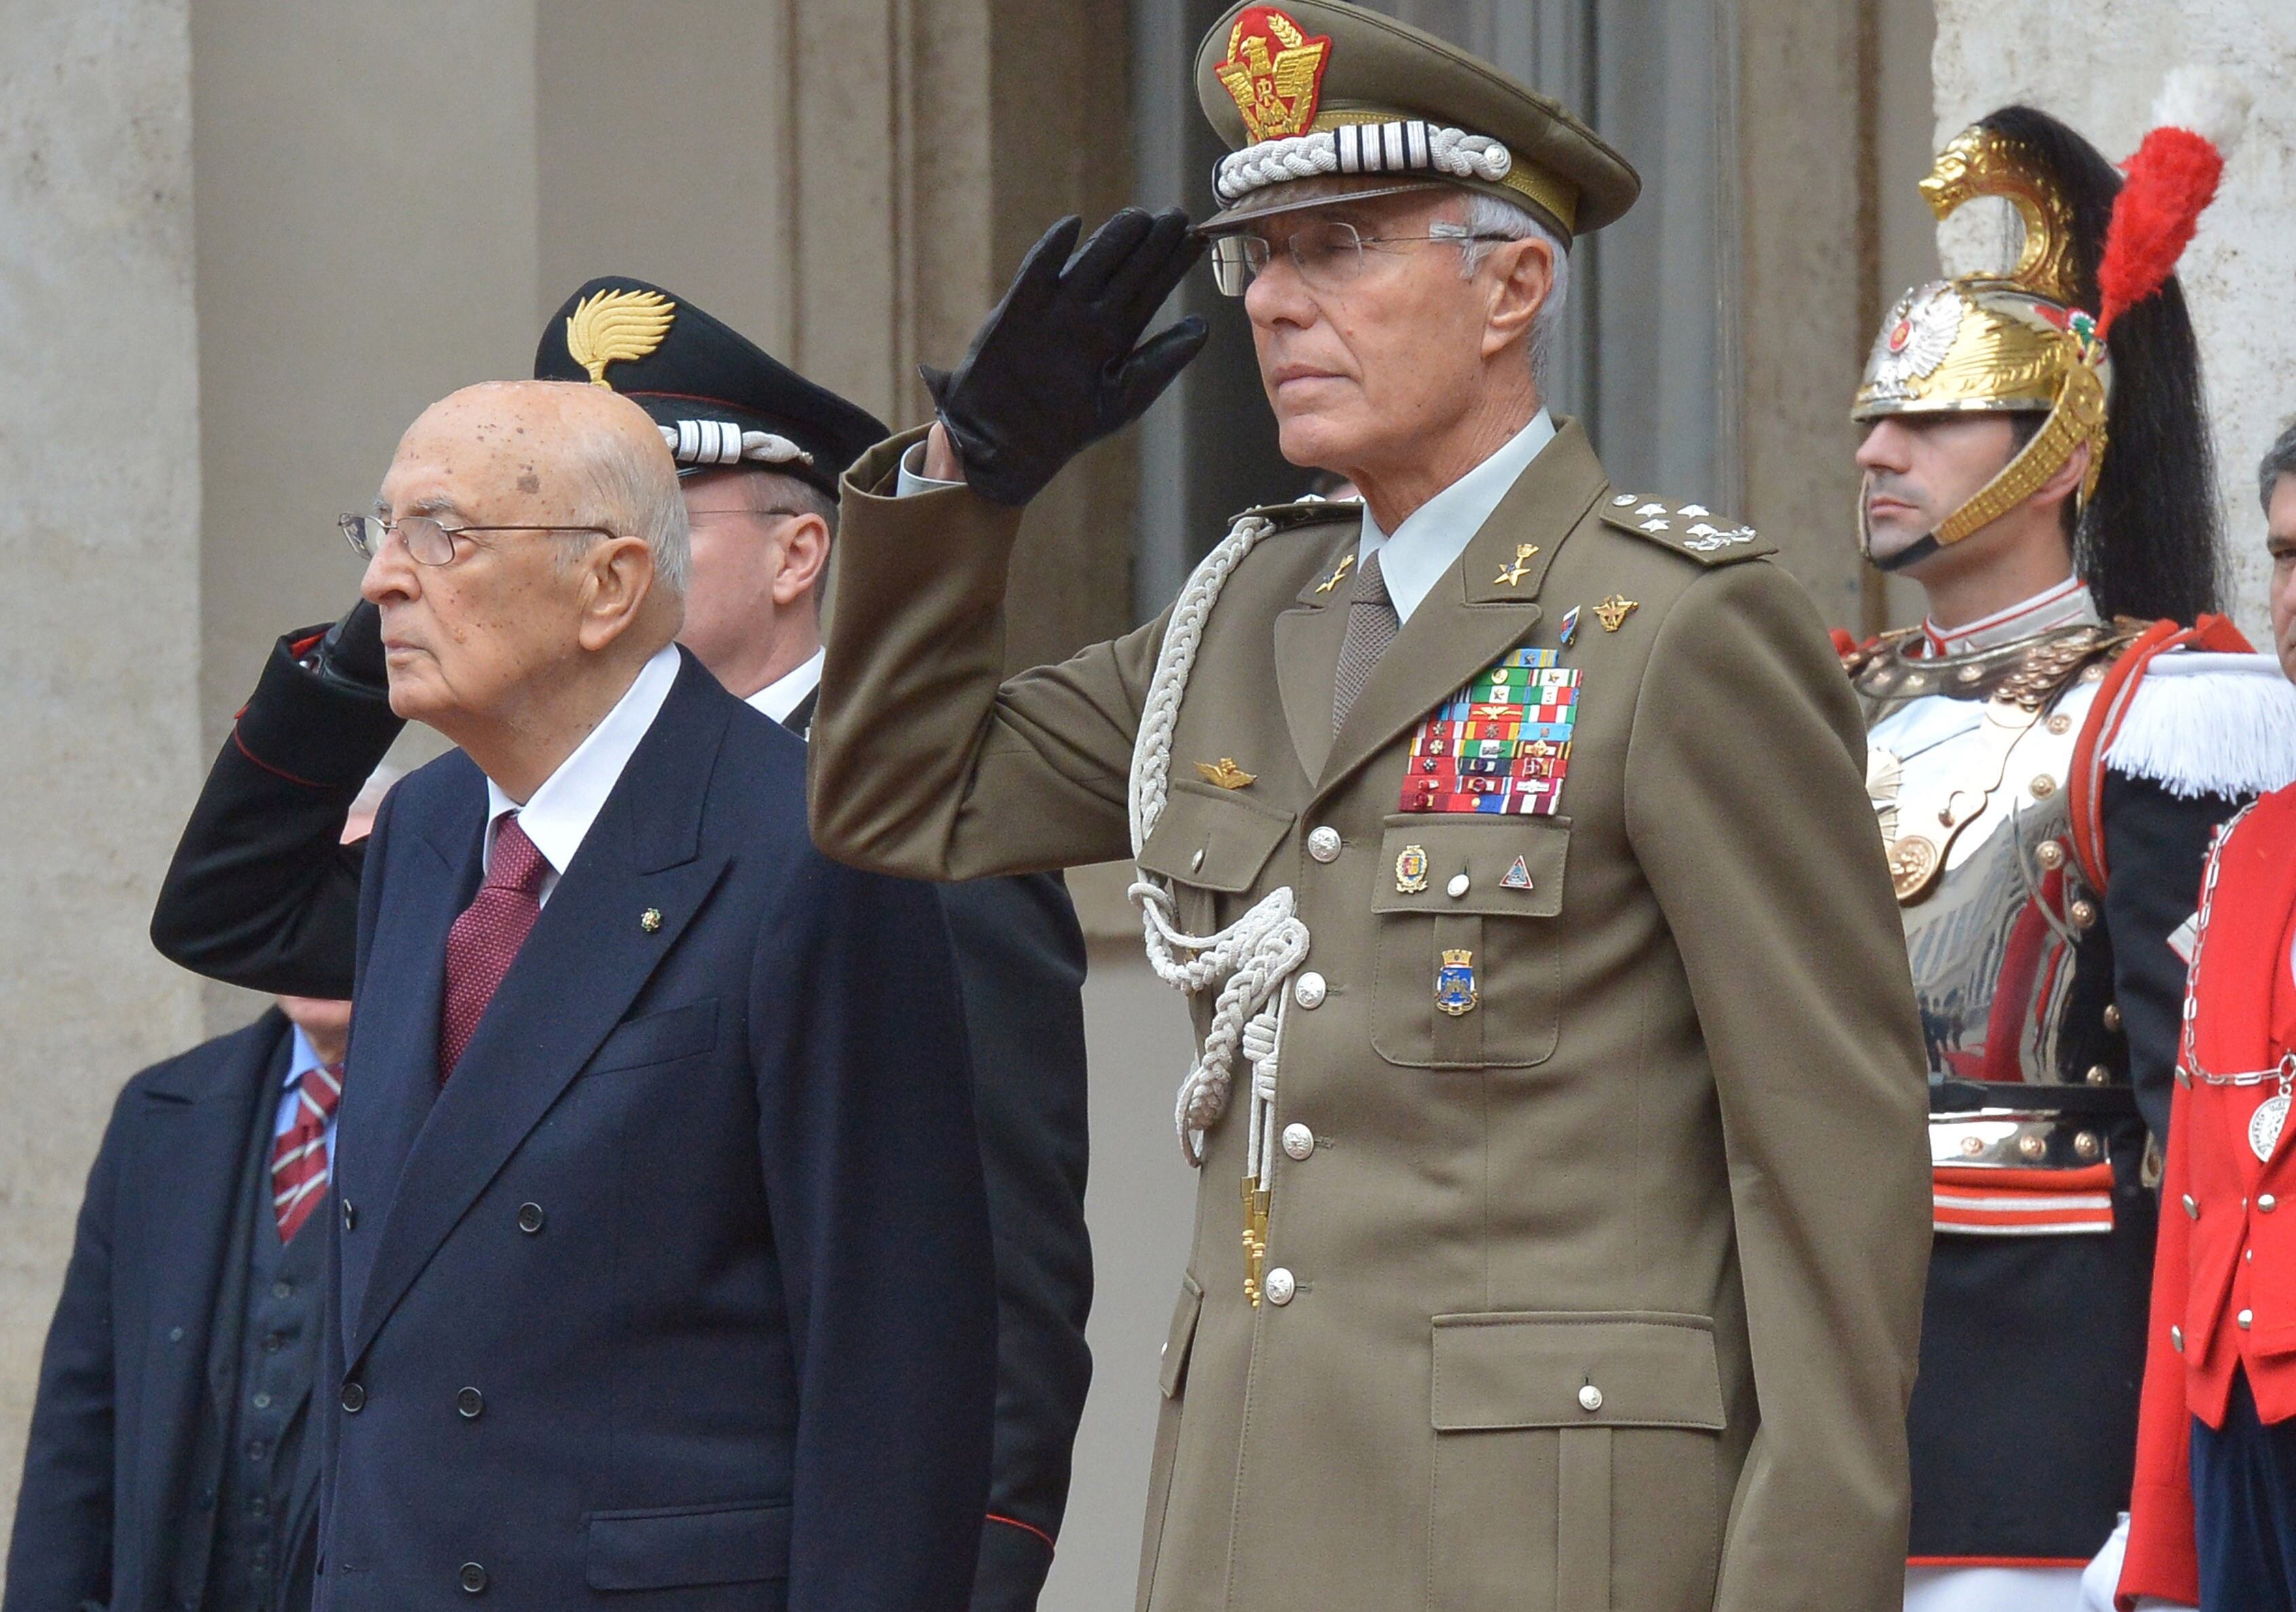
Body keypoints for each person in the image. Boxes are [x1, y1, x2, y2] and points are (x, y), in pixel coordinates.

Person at [805, 3, 1932, 1608]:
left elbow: (1827, 1160)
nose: (1275, 300)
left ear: (1512, 285)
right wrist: (967, 484)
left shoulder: (1675, 625)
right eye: (1255, 257)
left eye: (1341, 246)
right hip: (1254, 1513)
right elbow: (900, 800)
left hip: (1554, 1538)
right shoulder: (1243, 612)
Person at [151, 278, 1096, 1611]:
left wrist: (969, 1571)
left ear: (792, 554)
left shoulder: (883, 825)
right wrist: (416, 591)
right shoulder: (467, 818)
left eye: (652, 511)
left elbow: (964, 1288)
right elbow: (230, 909)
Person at [1840, 82, 2296, 1612]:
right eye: (1867, 421)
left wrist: (2163, 1499)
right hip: (1816, 1413)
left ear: (2062, 434)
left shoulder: (2166, 713)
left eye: (1927, 416)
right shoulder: (1815, 696)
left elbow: (2214, 1153)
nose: (1877, 450)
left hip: (2046, 1436)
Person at [5, 774, 391, 1612]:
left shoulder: (464, 1118)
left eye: (351, 894)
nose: (320, 929)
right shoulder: (161, 1113)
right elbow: (81, 1417)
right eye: (301, 893)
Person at [2120, 420, 2296, 1611]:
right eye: (2284, 556)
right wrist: (2160, 1530)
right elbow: (2196, 1186)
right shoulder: (2245, 847)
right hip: (2238, 1409)